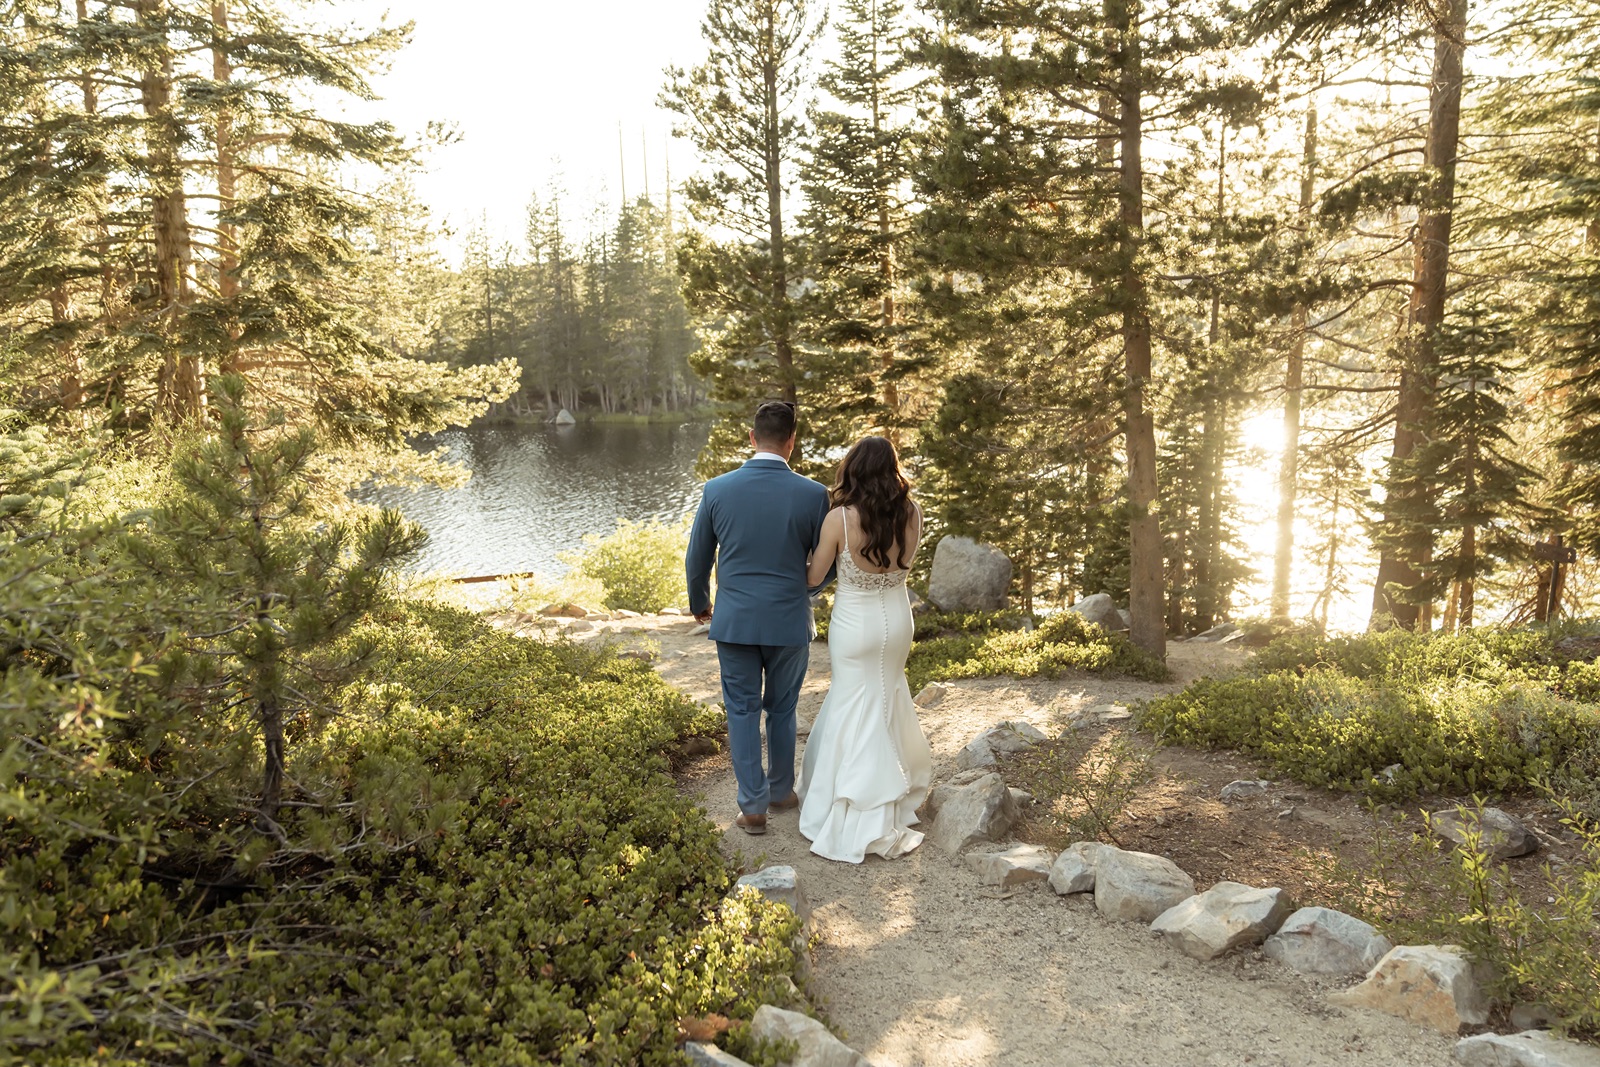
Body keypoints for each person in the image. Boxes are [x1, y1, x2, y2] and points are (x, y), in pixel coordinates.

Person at [686, 401, 832, 835]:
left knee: (742, 710)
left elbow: (697, 559)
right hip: (789, 622)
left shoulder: (716, 489)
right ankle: (781, 790)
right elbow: (831, 563)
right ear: (792, 442)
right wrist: (804, 592)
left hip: (735, 622)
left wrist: (701, 604)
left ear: (752, 438)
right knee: (783, 708)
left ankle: (752, 807)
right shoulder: (813, 494)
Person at [798, 435, 934, 863]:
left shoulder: (840, 519)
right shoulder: (913, 512)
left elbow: (812, 577)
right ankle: (895, 789)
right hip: (897, 619)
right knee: (888, 693)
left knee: (853, 701)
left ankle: (858, 807)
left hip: (856, 625)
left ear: (853, 469)